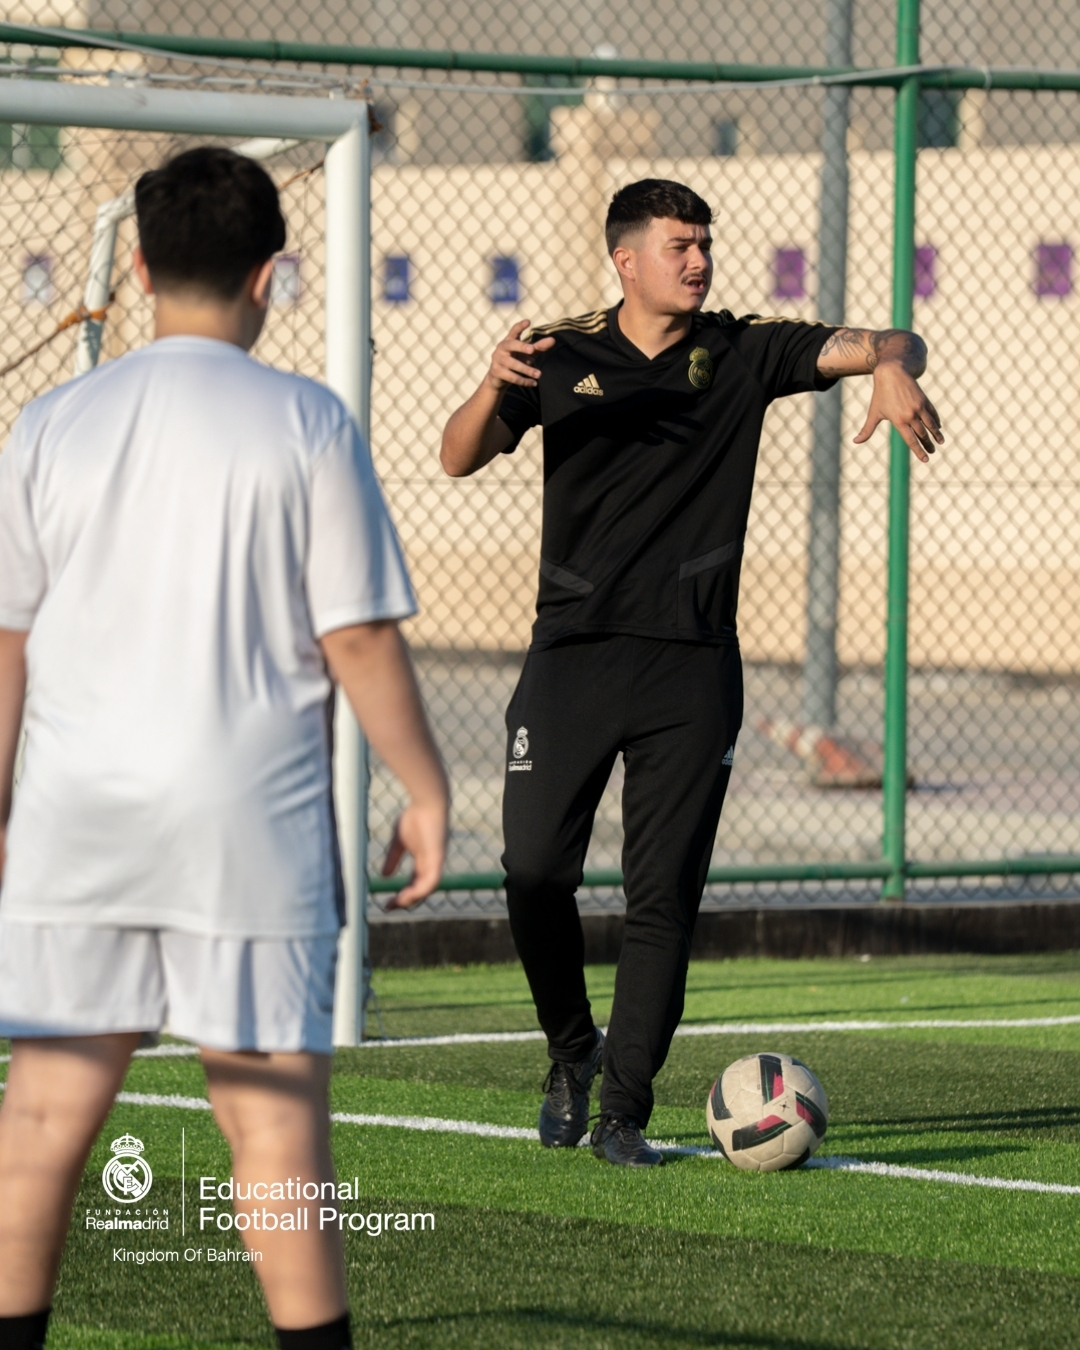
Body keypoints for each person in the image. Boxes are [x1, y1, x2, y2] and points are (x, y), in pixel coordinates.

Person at [0, 147, 449, 1349]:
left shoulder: (51, 421)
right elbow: (354, 638)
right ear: (271, 274)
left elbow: (5, 649)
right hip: (245, 823)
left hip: (74, 817)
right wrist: (425, 785)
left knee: (42, 1120)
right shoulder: (305, 419)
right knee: (271, 1129)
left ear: (137, 266)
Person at [440, 178, 941, 1167]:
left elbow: (889, 339)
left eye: (705, 242)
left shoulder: (746, 347)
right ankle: (572, 1050)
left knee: (660, 895)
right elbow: (459, 457)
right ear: (626, 259)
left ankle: (623, 1108)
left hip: (693, 665)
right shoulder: (560, 353)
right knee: (533, 869)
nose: (698, 259)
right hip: (572, 654)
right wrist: (492, 382)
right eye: (679, 245)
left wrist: (890, 367)